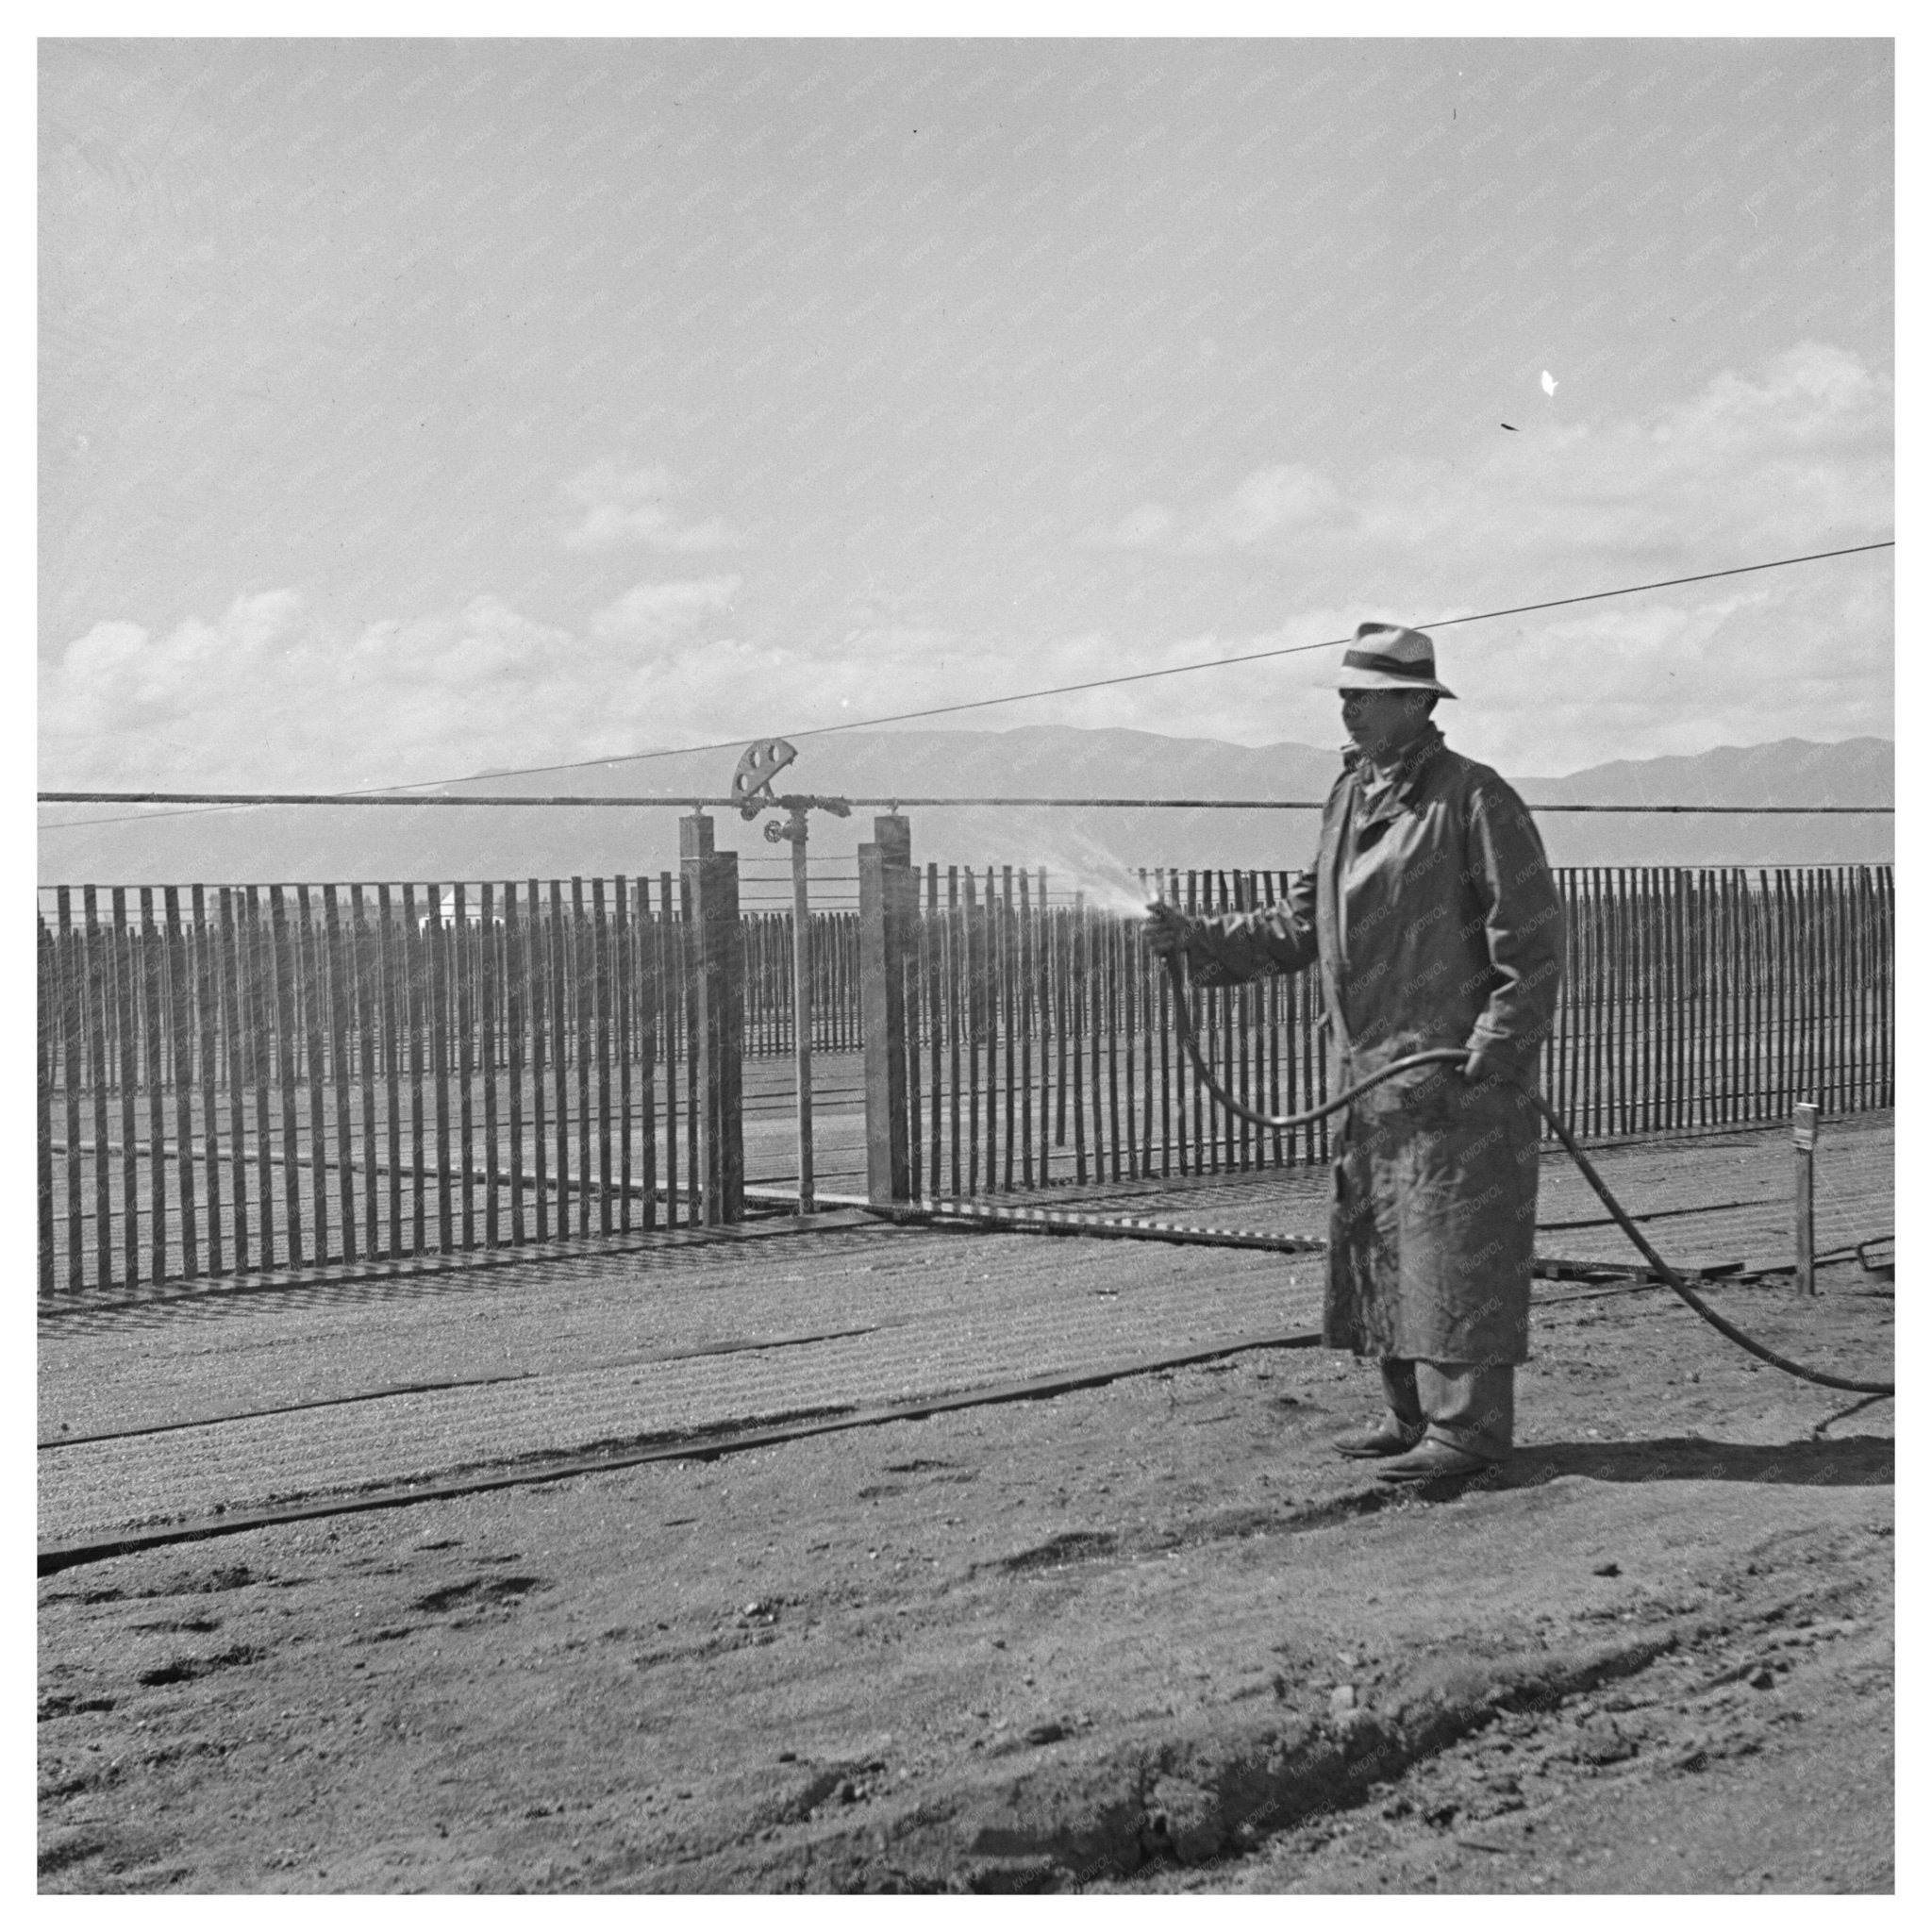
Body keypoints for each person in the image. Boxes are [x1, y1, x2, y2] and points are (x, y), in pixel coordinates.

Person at [1147, 622, 1564, 1481]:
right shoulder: (1348, 797)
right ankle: (1408, 1417)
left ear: (1418, 704)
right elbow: (1303, 923)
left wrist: (1494, 1048)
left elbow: (1531, 940)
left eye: (1366, 695)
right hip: (1369, 1076)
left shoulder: (1475, 799)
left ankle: (1470, 1436)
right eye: (1345, 694)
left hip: (1452, 1076)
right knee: (1382, 1245)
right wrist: (1199, 940)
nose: (1349, 707)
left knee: (1456, 1249)